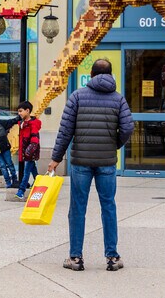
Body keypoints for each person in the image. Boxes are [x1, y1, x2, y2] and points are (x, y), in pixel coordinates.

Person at [48, 59, 134, 272]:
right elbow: (128, 128)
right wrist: (113, 145)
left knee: (77, 208)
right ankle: (112, 258)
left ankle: (75, 258)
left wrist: (56, 158)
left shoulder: (77, 96)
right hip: (106, 162)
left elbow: (65, 131)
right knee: (108, 206)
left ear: (92, 74)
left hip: (81, 162)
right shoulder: (118, 99)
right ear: (111, 74)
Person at [15, 101, 42, 199]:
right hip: (26, 152)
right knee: (33, 169)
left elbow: (35, 139)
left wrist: (28, 151)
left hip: (30, 153)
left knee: (26, 172)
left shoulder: (33, 124)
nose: (19, 113)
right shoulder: (23, 124)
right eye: (18, 111)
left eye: (21, 111)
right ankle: (39, 184)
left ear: (27, 111)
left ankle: (21, 191)